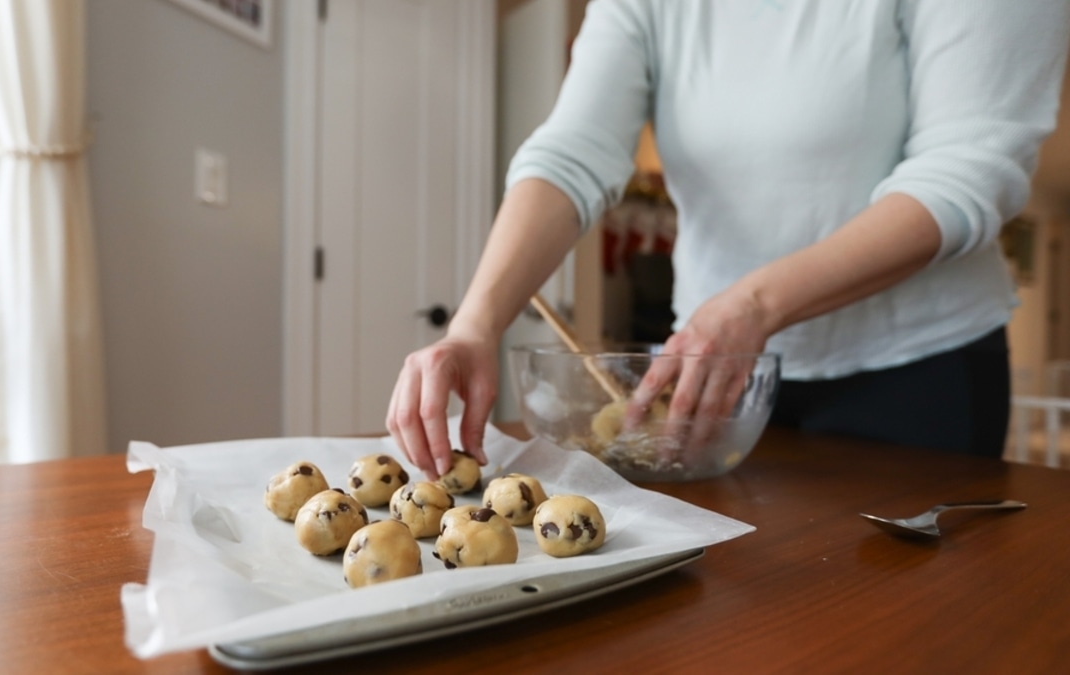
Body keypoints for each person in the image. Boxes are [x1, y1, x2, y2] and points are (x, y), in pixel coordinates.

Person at [386, 0, 1070, 479]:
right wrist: (475, 325)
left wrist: (753, 304)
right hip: (710, 380)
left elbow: (966, 174)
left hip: (918, 375)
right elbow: (575, 152)